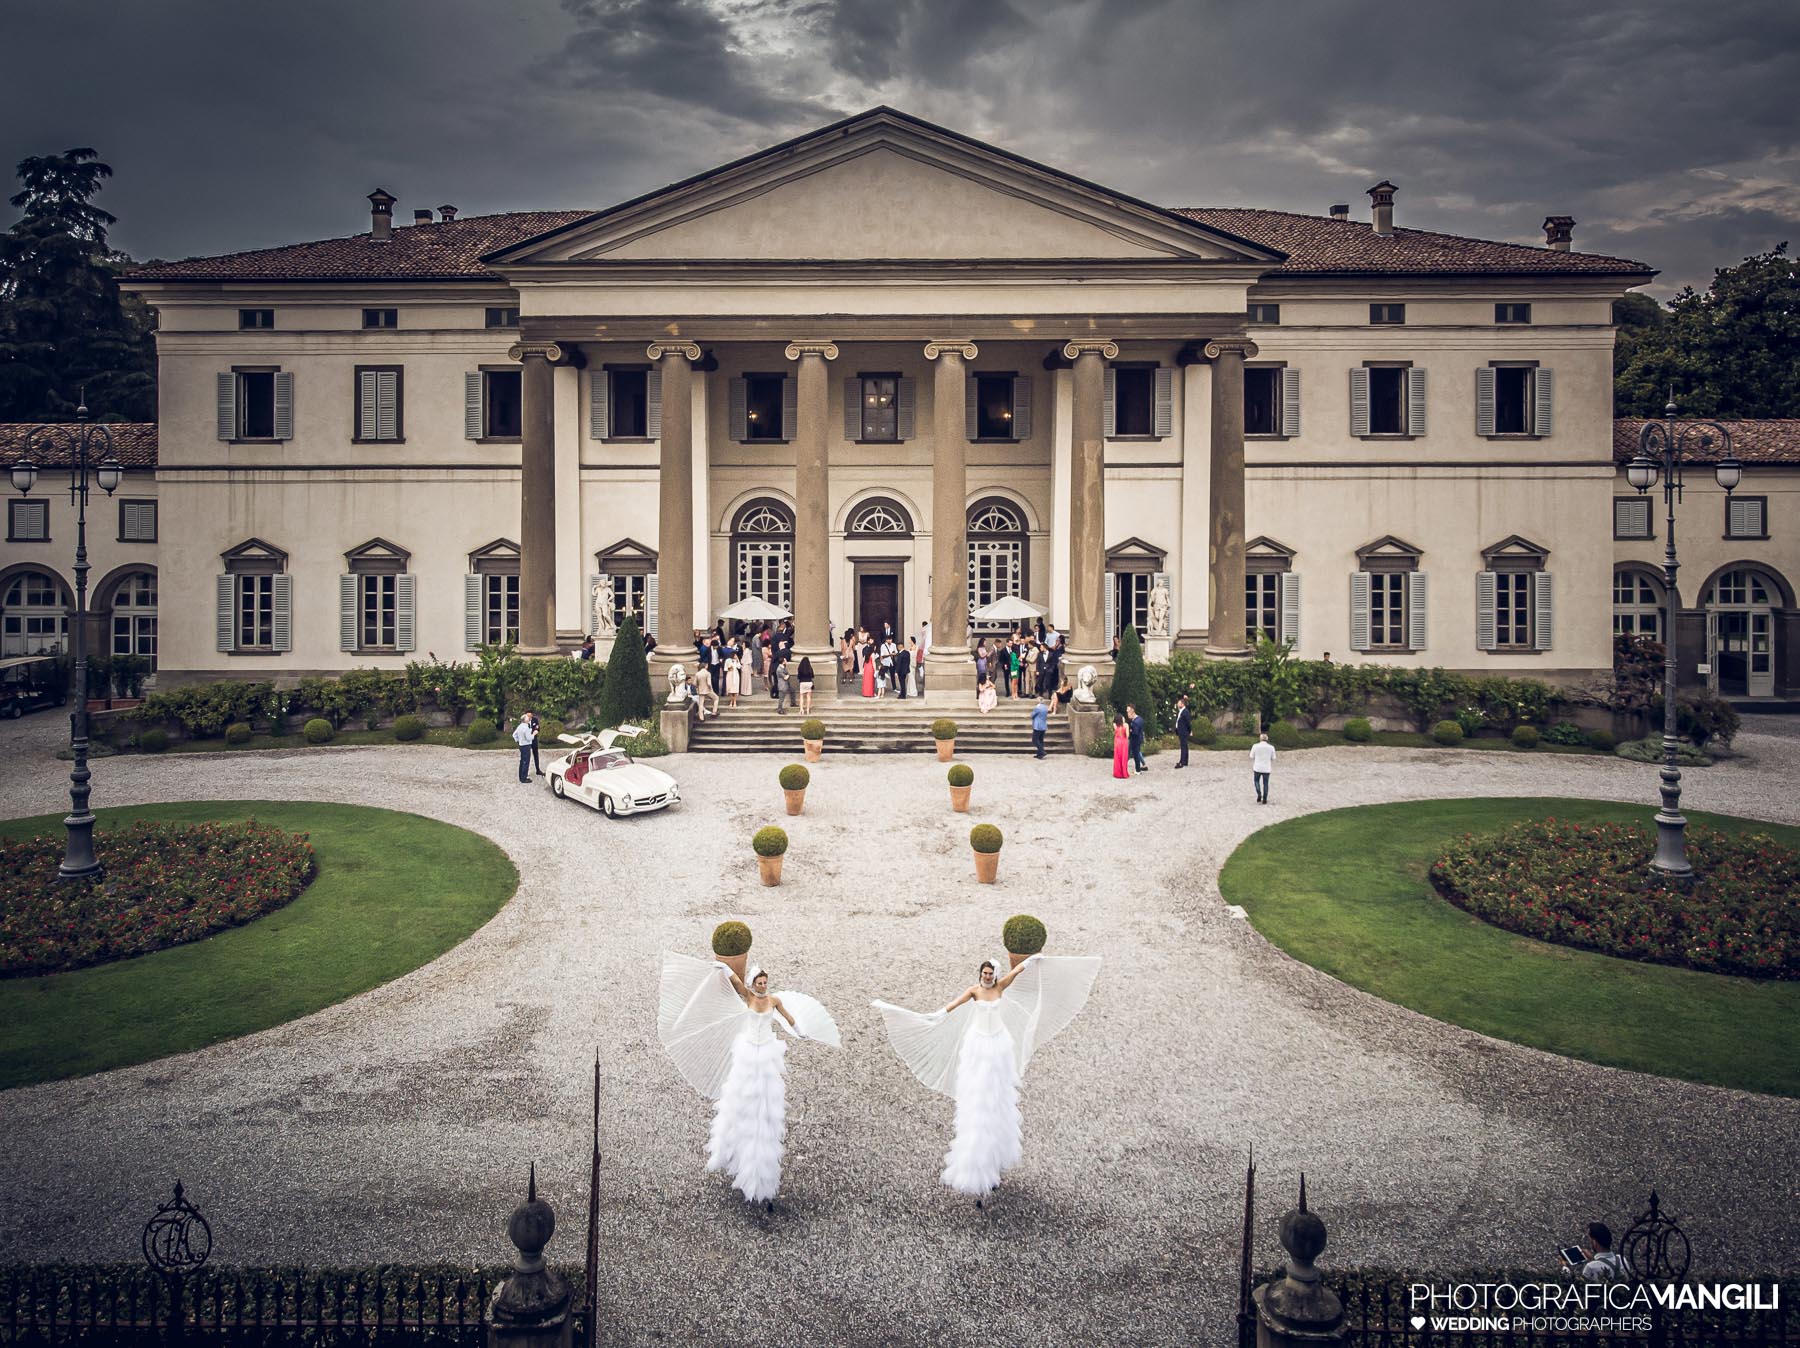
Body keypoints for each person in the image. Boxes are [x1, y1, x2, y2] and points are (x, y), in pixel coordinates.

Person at [872, 952, 1099, 1205]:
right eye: (985, 974)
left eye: (991, 974)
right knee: (979, 1096)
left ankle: (994, 1160)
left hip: (999, 1045)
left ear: (994, 975)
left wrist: (1032, 959)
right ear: (980, 975)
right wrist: (933, 1016)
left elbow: (1017, 971)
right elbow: (951, 1007)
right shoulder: (974, 991)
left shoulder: (1001, 986)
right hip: (979, 1045)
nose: (988, 977)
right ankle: (978, 1166)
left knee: (999, 1095)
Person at [657, 954, 839, 1212]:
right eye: (760, 982)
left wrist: (800, 1032)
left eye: (766, 982)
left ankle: (758, 1173)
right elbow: (736, 983)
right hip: (748, 1052)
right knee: (740, 1097)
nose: (763, 986)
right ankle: (733, 1151)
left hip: (765, 1052)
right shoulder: (749, 997)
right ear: (755, 983)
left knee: (763, 1102)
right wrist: (723, 967)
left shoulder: (774, 1000)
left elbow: (788, 1017)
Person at [1250, 732, 1276, 804]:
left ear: (1260, 739)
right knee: (1266, 784)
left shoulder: (1255, 746)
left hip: (1257, 767)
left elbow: (1251, 756)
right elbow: (1273, 758)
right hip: (1266, 768)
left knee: (1256, 781)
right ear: (1267, 739)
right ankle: (1265, 798)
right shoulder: (1271, 747)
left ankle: (1259, 793)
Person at [512, 712, 536, 784]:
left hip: (521, 745)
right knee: (526, 762)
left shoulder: (519, 726)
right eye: (527, 718)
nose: (528, 718)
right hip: (526, 746)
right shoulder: (526, 728)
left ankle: (521, 776)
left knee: (522, 761)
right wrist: (534, 734)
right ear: (525, 720)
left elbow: (514, 735)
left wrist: (519, 741)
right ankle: (524, 778)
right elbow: (529, 738)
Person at [1127, 704, 1147, 773]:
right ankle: (1139, 768)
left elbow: (1135, 732)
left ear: (1132, 710)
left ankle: (1138, 770)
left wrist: (1130, 731)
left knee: (1135, 755)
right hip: (1138, 739)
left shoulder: (1135, 722)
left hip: (1135, 740)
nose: (1127, 711)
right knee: (1136, 754)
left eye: (1128, 710)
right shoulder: (1140, 719)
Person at [1173, 694, 1192, 768]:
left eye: (1179, 703)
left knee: (1184, 746)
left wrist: (1190, 730)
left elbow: (1188, 722)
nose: (1178, 704)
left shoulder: (1185, 711)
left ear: (1182, 704)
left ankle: (1182, 761)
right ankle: (1185, 761)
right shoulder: (1181, 711)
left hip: (1184, 731)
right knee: (1184, 746)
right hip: (1181, 731)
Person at [1111, 713, 1129, 780]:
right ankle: (1124, 773)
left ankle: (1117, 773)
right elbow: (1127, 735)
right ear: (1121, 719)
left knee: (1117, 757)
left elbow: (1113, 721)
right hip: (1123, 742)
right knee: (1124, 757)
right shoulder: (1126, 725)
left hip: (1117, 741)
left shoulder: (1115, 725)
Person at [527, 710, 545, 776]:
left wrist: (534, 733)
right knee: (527, 756)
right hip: (527, 740)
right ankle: (526, 771)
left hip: (534, 739)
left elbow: (537, 728)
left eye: (529, 715)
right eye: (527, 715)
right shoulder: (524, 720)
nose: (528, 717)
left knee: (536, 755)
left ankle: (538, 770)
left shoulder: (535, 720)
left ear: (532, 715)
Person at [1031, 695, 1049, 759]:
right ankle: (1039, 754)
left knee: (1035, 739)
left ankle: (1042, 751)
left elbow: (1032, 715)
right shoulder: (1045, 707)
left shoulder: (1037, 708)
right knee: (1041, 740)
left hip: (1037, 726)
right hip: (1043, 725)